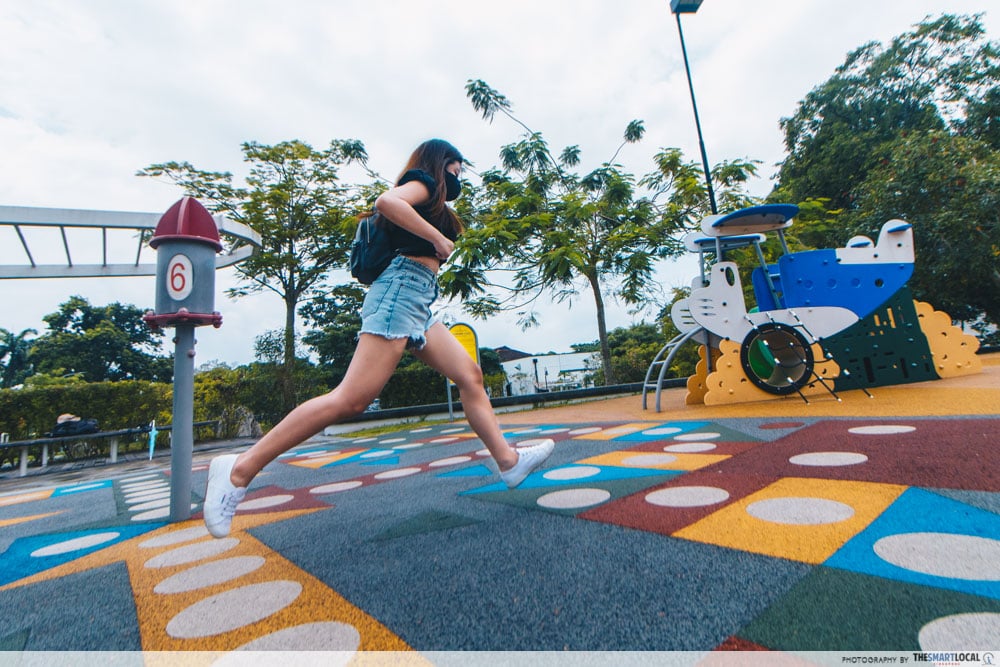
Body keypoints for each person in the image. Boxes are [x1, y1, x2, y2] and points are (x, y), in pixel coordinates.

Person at [203, 138, 555, 538]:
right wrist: (439, 241)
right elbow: (387, 202)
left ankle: (508, 463)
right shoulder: (422, 180)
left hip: (418, 299)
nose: (458, 180)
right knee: (351, 399)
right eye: (455, 170)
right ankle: (237, 470)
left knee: (470, 375)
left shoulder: (433, 200)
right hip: (400, 293)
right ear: (441, 164)